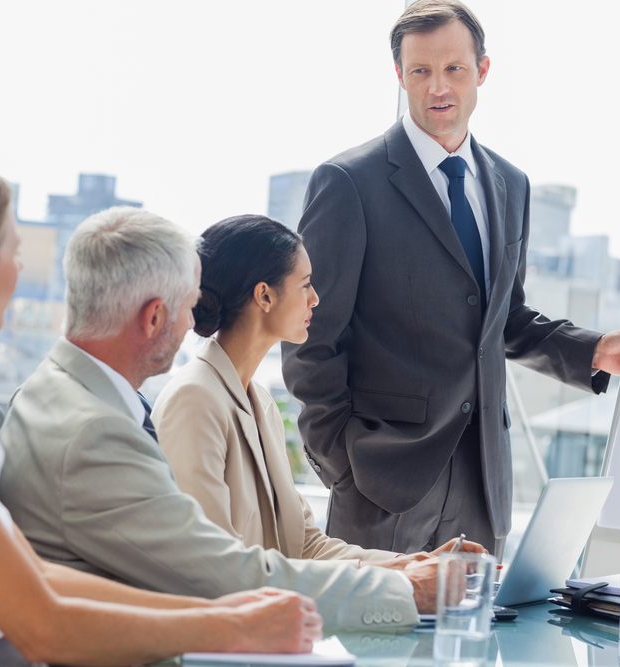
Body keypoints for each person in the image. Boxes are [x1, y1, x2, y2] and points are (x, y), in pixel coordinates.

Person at [0, 161, 321, 667]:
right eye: (13, 253)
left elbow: (34, 575)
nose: (21, 270)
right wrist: (229, 627)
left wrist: (224, 614)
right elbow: (43, 627)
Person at [281, 0, 620, 559]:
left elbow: (502, 319)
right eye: (420, 71)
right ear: (400, 76)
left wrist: (596, 349)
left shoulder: (510, 184)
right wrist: (344, 465)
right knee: (373, 640)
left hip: (482, 479)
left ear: (482, 71)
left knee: (471, 641)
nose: (438, 86)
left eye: (454, 69)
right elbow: (309, 337)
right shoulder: (350, 182)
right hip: (383, 482)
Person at [0, 206, 440, 630]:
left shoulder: (64, 396)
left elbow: (295, 544)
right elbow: (218, 574)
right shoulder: (102, 429)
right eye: (189, 305)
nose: (196, 320)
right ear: (154, 317)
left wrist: (409, 568)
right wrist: (403, 589)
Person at [153, 215, 484, 562]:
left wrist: (412, 564)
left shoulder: (259, 402)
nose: (315, 299)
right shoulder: (194, 401)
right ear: (264, 296)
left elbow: (305, 544)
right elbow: (214, 564)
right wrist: (405, 586)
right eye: (305, 284)